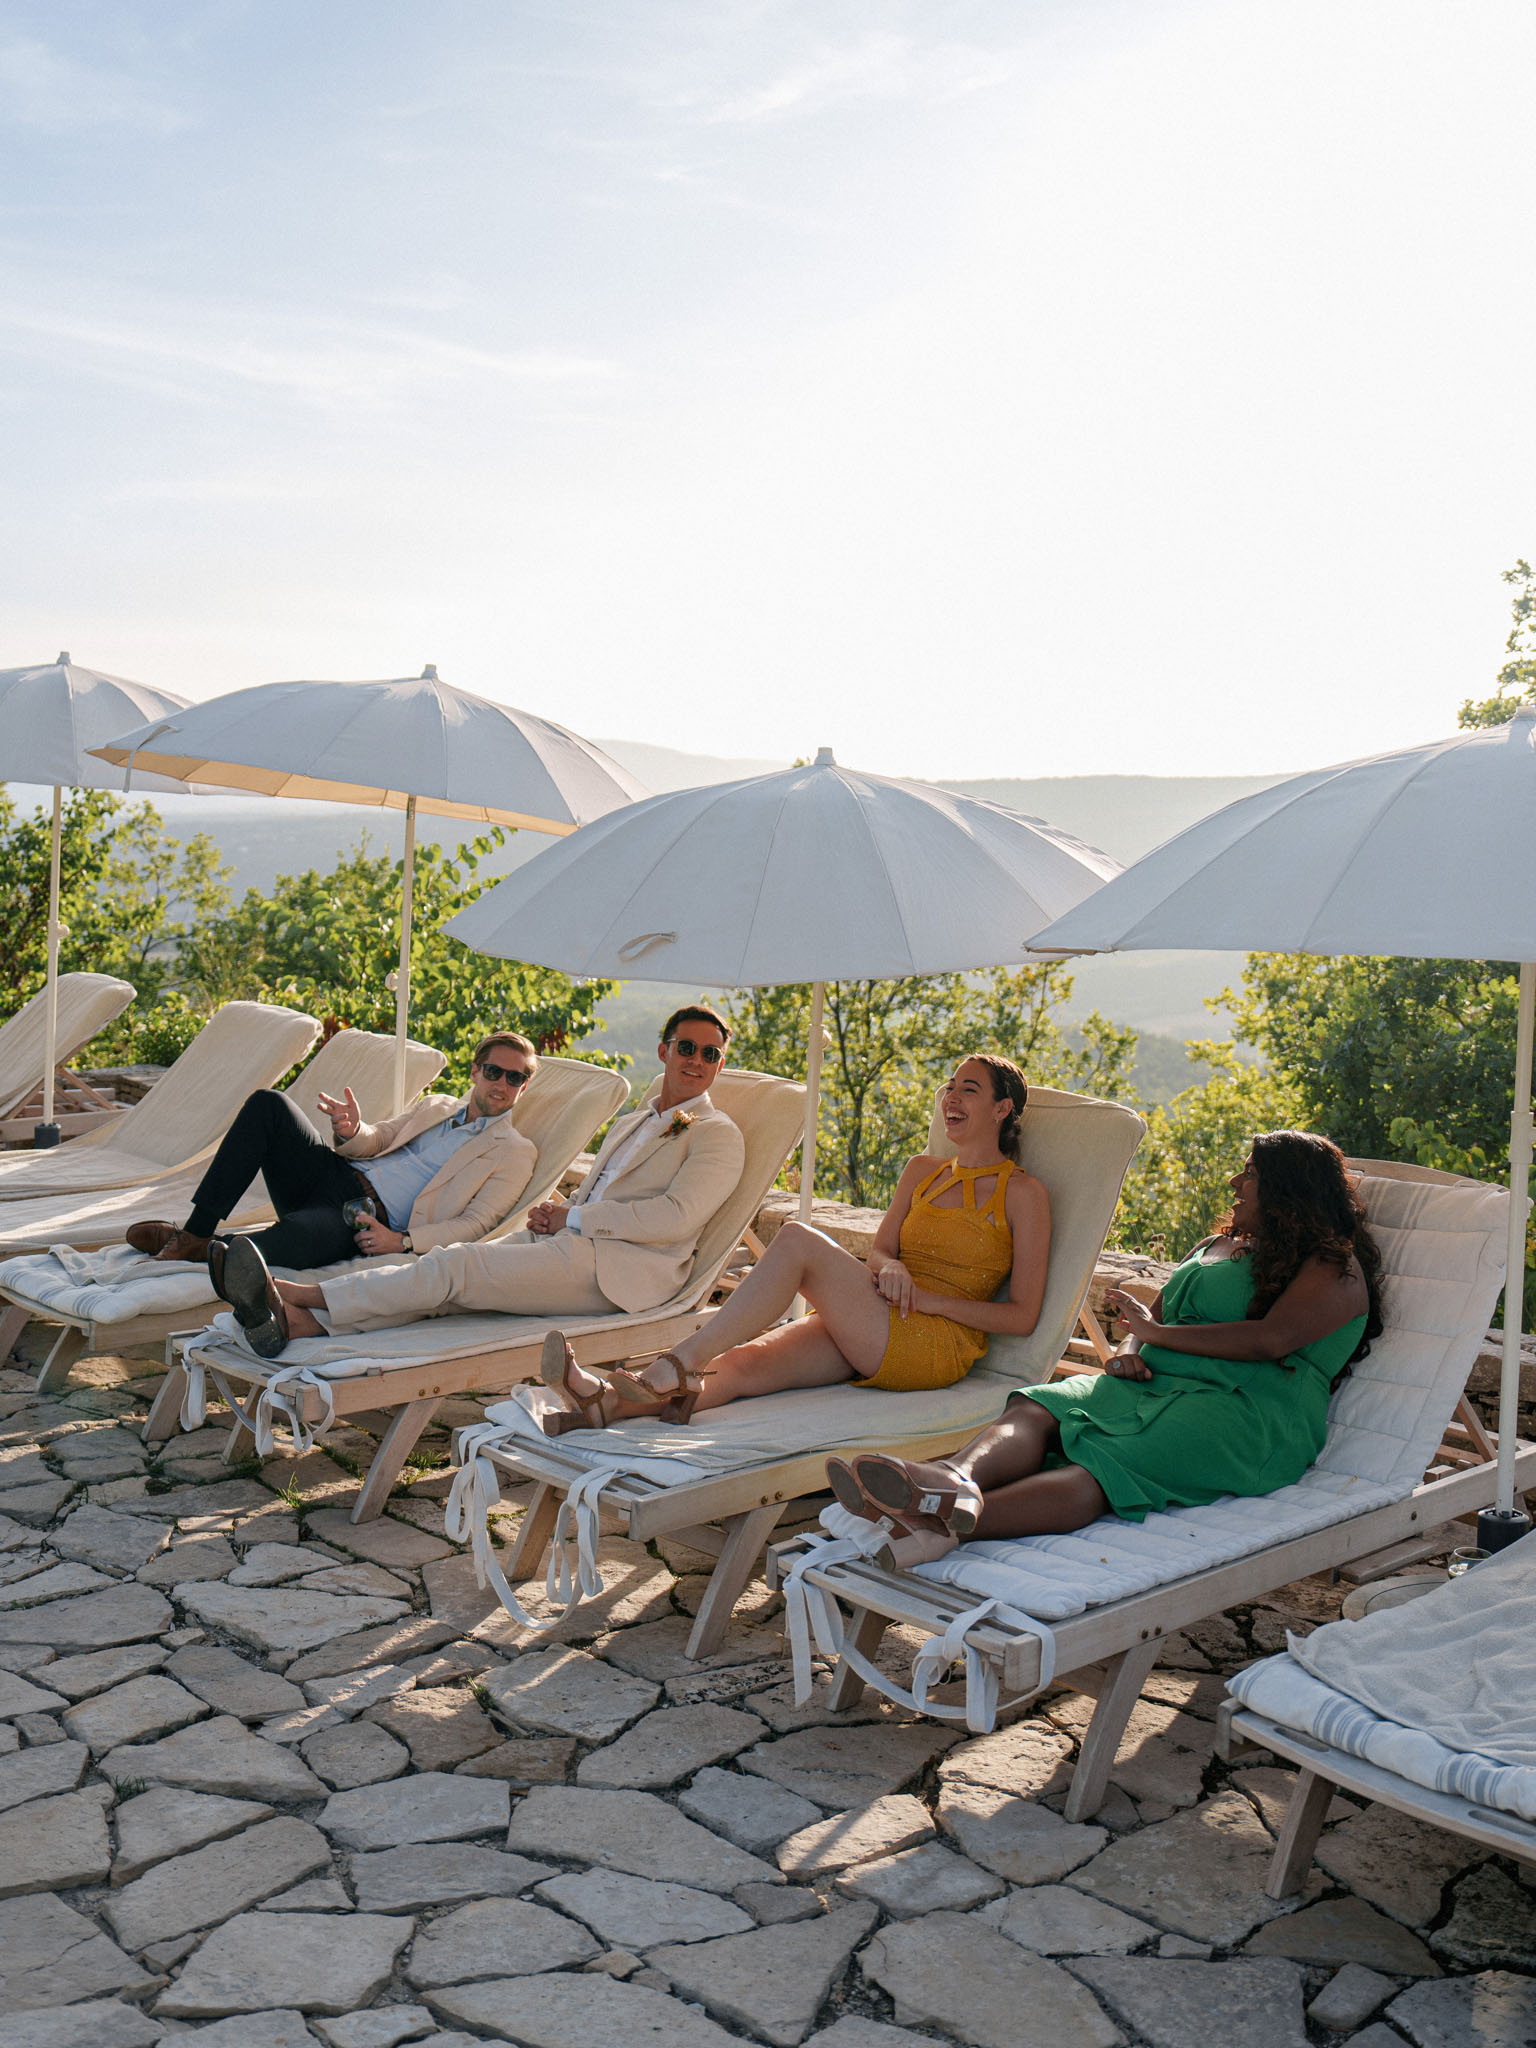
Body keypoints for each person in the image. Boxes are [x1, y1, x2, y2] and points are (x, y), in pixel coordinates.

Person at [829, 1129, 1384, 1566]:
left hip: (1248, 1410)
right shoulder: (1218, 1245)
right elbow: (1155, 1322)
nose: (1237, 1184)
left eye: (1252, 1175)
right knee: (1040, 1405)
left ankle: (942, 1517)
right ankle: (954, 1479)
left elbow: (1272, 1339)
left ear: (1290, 1191)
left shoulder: (1333, 1266)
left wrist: (1160, 1336)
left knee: (1103, 1464)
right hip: (1157, 1383)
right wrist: (1135, 1350)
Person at [536, 1053, 1050, 1435]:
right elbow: (880, 1251)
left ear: (1003, 1108)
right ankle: (604, 1403)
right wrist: (890, 1266)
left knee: (798, 1240)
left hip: (932, 1345)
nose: (951, 1098)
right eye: (950, 1087)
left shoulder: (1024, 1194)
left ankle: (674, 1361)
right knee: (740, 1366)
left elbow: (1023, 1315)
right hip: (875, 1316)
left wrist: (928, 1298)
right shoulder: (922, 1170)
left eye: (970, 1090)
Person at [218, 1005, 746, 1359]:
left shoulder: (717, 1135)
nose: (697, 1061)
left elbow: (675, 1218)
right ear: (664, 1051)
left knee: (459, 1264)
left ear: (720, 1064)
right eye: (687, 1048)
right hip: (569, 1240)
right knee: (446, 1287)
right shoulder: (635, 1120)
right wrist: (561, 1212)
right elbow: (603, 1192)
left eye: (711, 1054)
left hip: (623, 1270)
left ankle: (300, 1293)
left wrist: (576, 1217)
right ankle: (303, 1324)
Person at [127, 1031, 541, 1286]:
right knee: (269, 1104)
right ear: (475, 1072)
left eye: (515, 1077)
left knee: (300, 1239)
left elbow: (475, 1225)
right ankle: (196, 1234)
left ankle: (210, 1250)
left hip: (364, 1217)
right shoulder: (436, 1106)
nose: (502, 1083)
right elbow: (380, 1139)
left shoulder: (515, 1152)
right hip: (334, 1172)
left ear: (524, 1086)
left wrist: (403, 1242)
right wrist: (351, 1130)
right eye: (494, 1071)